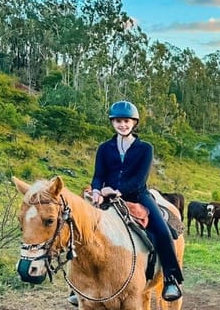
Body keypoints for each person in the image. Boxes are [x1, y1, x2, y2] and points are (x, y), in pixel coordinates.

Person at [68, 101, 184, 306]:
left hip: (138, 196)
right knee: (79, 229)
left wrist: (117, 191)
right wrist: (96, 191)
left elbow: (140, 179)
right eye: (118, 121)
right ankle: (78, 286)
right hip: (106, 197)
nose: (122, 125)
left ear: (134, 123)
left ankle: (170, 279)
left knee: (162, 230)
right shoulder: (105, 148)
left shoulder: (145, 148)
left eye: (126, 121)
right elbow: (98, 175)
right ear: (113, 123)